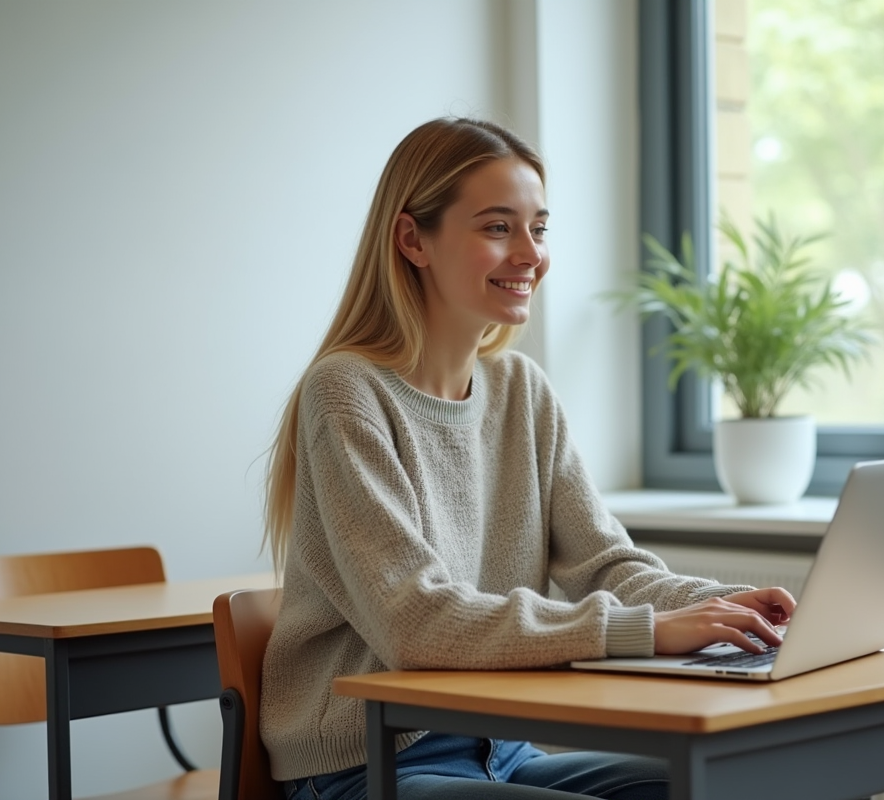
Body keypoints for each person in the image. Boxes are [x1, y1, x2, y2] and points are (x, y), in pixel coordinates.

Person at [259, 116, 797, 800]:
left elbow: (605, 565)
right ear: (411, 239)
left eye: (538, 229)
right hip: (371, 763)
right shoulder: (345, 392)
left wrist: (725, 607)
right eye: (496, 227)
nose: (530, 254)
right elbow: (413, 622)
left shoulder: (522, 390)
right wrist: (647, 633)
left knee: (732, 785)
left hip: (501, 747)